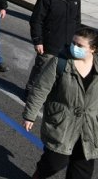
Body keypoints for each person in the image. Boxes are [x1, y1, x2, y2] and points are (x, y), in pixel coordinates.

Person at [23, 27, 98, 179]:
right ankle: (39, 174)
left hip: (89, 127)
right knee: (54, 163)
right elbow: (40, 89)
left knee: (82, 171)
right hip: (63, 124)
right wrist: (30, 115)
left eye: (80, 45)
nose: (74, 47)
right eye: (73, 43)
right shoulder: (60, 63)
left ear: (93, 49)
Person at [26, 0, 82, 93]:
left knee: (62, 74)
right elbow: (36, 20)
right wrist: (38, 41)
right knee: (41, 70)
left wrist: (77, 41)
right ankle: (30, 91)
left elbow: (77, 20)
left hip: (67, 46)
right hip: (49, 44)